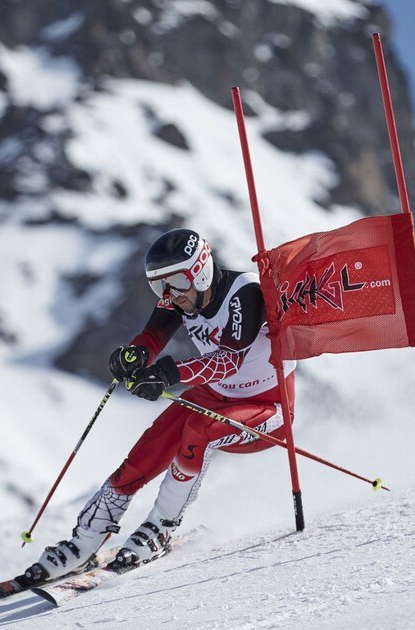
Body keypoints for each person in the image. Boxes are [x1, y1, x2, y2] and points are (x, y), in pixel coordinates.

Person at [24, 228, 295, 582]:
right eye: (158, 286)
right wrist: (136, 355)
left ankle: (161, 527)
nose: (169, 295)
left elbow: (229, 360)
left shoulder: (245, 293)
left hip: (266, 409)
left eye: (177, 282)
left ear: (200, 271)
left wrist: (169, 373)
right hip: (213, 397)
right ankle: (84, 542)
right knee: (140, 458)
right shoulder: (180, 296)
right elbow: (154, 334)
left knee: (200, 432)